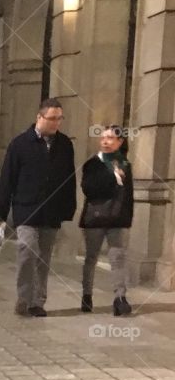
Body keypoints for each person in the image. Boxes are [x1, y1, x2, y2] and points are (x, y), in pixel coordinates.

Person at [0, 97, 76, 317]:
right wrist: (0, 213)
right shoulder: (19, 144)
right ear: (39, 117)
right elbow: (7, 179)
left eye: (59, 119)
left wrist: (68, 208)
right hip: (26, 208)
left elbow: (69, 178)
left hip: (52, 211)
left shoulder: (65, 144)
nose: (56, 123)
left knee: (43, 258)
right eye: (52, 118)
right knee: (27, 250)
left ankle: (37, 302)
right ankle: (23, 297)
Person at [80, 124, 134, 317]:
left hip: (117, 219)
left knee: (117, 258)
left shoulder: (125, 164)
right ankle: (87, 295)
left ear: (120, 142)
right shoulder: (92, 164)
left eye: (110, 138)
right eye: (103, 137)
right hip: (95, 218)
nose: (105, 141)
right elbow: (89, 188)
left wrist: (127, 218)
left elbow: (128, 195)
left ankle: (120, 298)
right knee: (91, 258)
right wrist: (112, 177)